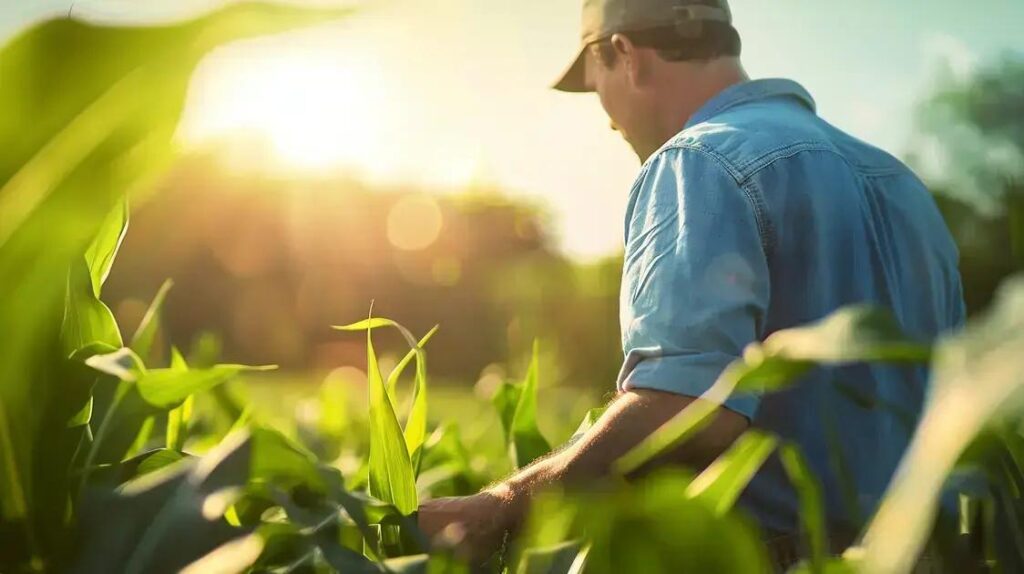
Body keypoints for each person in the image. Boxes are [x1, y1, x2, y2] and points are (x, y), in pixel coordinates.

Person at [418, 0, 965, 567]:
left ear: (625, 55)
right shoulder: (903, 188)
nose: (606, 117)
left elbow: (691, 410)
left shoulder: (697, 161)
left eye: (595, 80)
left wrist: (502, 504)